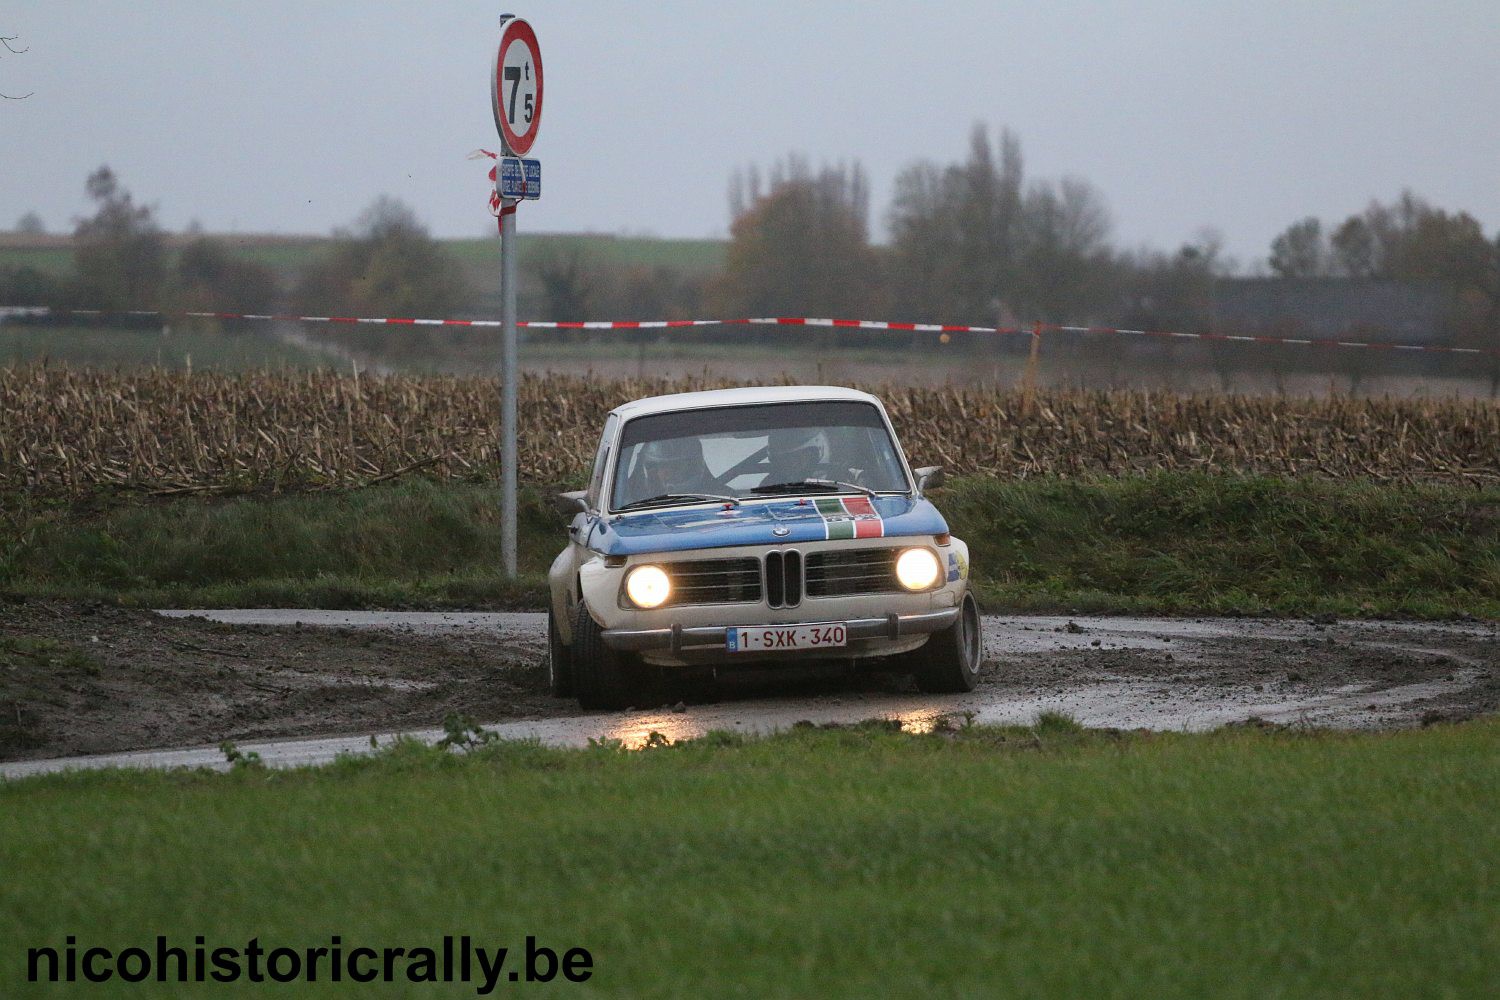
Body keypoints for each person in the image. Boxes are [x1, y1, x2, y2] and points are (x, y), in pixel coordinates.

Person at [637, 437, 714, 496]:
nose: (666, 473)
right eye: (654, 467)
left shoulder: (721, 499)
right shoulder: (633, 502)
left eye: (675, 466)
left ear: (692, 468)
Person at [766, 427, 831, 484]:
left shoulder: (838, 479)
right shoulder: (769, 485)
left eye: (797, 457)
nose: (791, 463)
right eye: (784, 459)